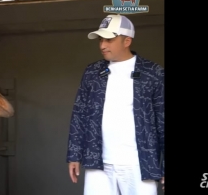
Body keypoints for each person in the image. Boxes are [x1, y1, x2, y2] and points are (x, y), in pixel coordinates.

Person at [66, 14, 165, 195]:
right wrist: (74, 154)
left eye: (109, 39)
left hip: (140, 164)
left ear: (127, 41)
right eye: (101, 39)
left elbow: (163, 119)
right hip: (98, 162)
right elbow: (79, 113)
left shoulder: (153, 73)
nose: (102, 45)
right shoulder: (93, 72)